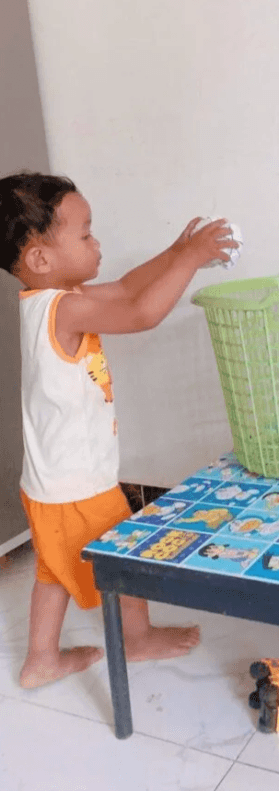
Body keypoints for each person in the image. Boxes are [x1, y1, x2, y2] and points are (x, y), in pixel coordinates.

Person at [0, 171, 237, 688]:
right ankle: (137, 639)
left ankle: (42, 659)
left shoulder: (48, 302)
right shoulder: (64, 307)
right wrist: (193, 261)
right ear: (40, 258)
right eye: (84, 234)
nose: (97, 242)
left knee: (53, 569)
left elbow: (130, 286)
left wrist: (178, 253)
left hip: (49, 485)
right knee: (122, 554)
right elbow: (141, 310)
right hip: (79, 485)